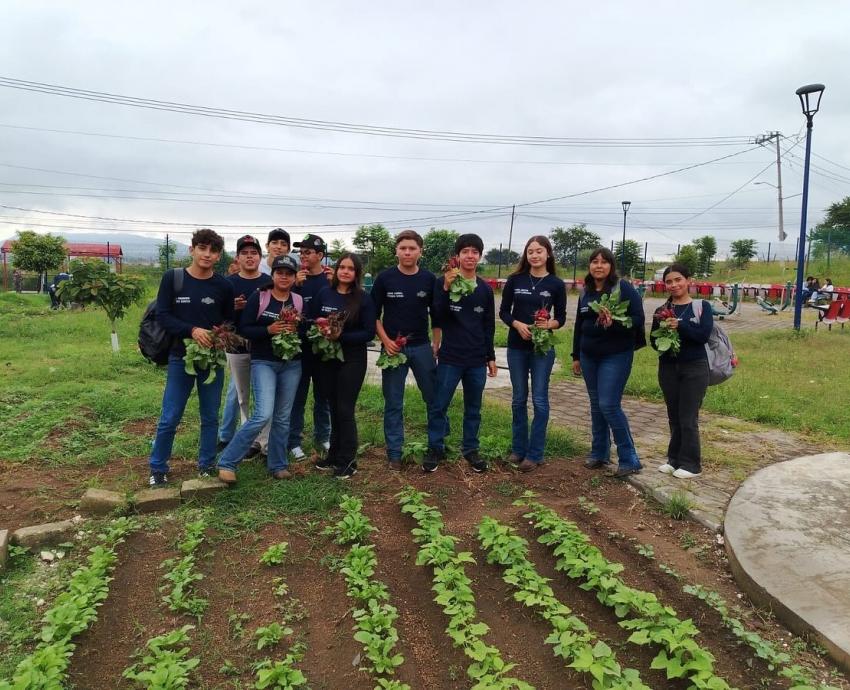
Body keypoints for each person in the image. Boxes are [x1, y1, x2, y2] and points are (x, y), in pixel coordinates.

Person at [148, 228, 234, 486]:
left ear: (218, 255)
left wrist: (220, 336)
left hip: (212, 361)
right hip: (180, 358)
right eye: (202, 248)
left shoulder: (224, 286)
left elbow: (229, 321)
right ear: (192, 250)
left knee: (210, 416)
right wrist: (192, 330)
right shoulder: (173, 278)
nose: (207, 254)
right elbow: (163, 315)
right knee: (170, 416)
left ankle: (206, 465)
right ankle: (158, 468)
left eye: (213, 250)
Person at [217, 255, 303, 483]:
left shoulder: (298, 300)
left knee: (282, 416)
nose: (284, 277)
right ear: (272, 275)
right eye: (280, 272)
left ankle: (278, 464)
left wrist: (299, 330)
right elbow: (245, 328)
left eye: (289, 273)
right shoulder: (261, 297)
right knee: (263, 413)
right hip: (264, 361)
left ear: (294, 277)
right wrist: (269, 330)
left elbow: (304, 330)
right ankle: (227, 462)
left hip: (292, 364)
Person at [425, 233, 497, 474]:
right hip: (450, 358)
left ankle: (471, 449)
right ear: (457, 256)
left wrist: (490, 357)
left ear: (480, 256)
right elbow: (438, 316)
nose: (470, 256)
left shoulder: (485, 289)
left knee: (473, 409)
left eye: (475, 252)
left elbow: (488, 325)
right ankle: (435, 448)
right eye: (465, 251)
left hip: (476, 359)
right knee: (439, 405)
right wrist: (446, 288)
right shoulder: (443, 282)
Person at [571, 247, 645, 479]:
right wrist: (575, 356)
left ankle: (629, 458)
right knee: (596, 405)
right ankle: (599, 452)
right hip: (588, 356)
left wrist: (616, 322)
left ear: (611, 266)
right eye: (594, 262)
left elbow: (638, 318)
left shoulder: (623, 288)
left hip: (616, 355)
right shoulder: (586, 291)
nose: (599, 266)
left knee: (609, 405)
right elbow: (579, 325)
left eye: (604, 262)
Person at [371, 229, 441, 471]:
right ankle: (394, 453)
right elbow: (374, 315)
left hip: (422, 348)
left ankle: (436, 447)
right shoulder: (384, 278)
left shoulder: (429, 279)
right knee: (393, 402)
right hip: (393, 350)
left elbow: (437, 315)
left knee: (433, 399)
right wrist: (386, 340)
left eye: (412, 248)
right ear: (396, 251)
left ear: (420, 251)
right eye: (403, 248)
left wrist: (436, 343)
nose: (407, 252)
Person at [499, 236, 566, 472]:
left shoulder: (556, 284)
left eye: (539, 251)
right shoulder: (515, 280)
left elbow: (561, 317)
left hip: (542, 349)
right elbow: (504, 312)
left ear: (548, 254)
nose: (534, 255)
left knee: (539, 399)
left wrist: (549, 325)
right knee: (518, 399)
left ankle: (535, 453)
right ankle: (518, 449)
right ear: (526, 255)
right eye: (530, 252)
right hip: (517, 347)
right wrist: (517, 324)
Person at [310, 252, 376, 479]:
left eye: (351, 269)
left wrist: (341, 336)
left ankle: (348, 461)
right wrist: (320, 330)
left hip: (352, 359)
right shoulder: (324, 293)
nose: (346, 272)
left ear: (356, 274)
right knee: (333, 407)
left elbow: (368, 332)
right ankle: (333, 455)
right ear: (336, 270)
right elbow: (312, 319)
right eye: (342, 267)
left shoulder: (363, 298)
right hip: (327, 359)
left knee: (345, 408)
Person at [651, 263, 713, 479]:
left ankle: (691, 464)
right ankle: (674, 460)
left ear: (688, 281)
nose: (674, 285)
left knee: (688, 417)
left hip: (695, 367)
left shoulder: (702, 306)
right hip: (668, 368)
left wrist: (680, 326)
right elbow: (653, 341)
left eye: (678, 280)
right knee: (674, 416)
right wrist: (664, 336)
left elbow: (702, 335)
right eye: (669, 281)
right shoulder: (661, 310)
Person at [218, 235, 269, 459]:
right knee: (243, 396)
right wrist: (232, 308)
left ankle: (265, 442)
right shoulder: (228, 283)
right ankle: (249, 439)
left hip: (264, 346)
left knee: (265, 397)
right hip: (237, 346)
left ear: (260, 256)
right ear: (237, 257)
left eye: (254, 253)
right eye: (245, 253)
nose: (249, 257)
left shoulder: (269, 281)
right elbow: (219, 316)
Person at [289, 234, 333, 461]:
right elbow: (284, 304)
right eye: (301, 252)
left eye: (308, 252)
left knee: (323, 395)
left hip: (323, 347)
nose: (303, 256)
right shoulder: (296, 279)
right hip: (299, 346)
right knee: (297, 396)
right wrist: (294, 285)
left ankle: (323, 436)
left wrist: (336, 284)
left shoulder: (330, 279)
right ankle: (293, 441)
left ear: (320, 255)